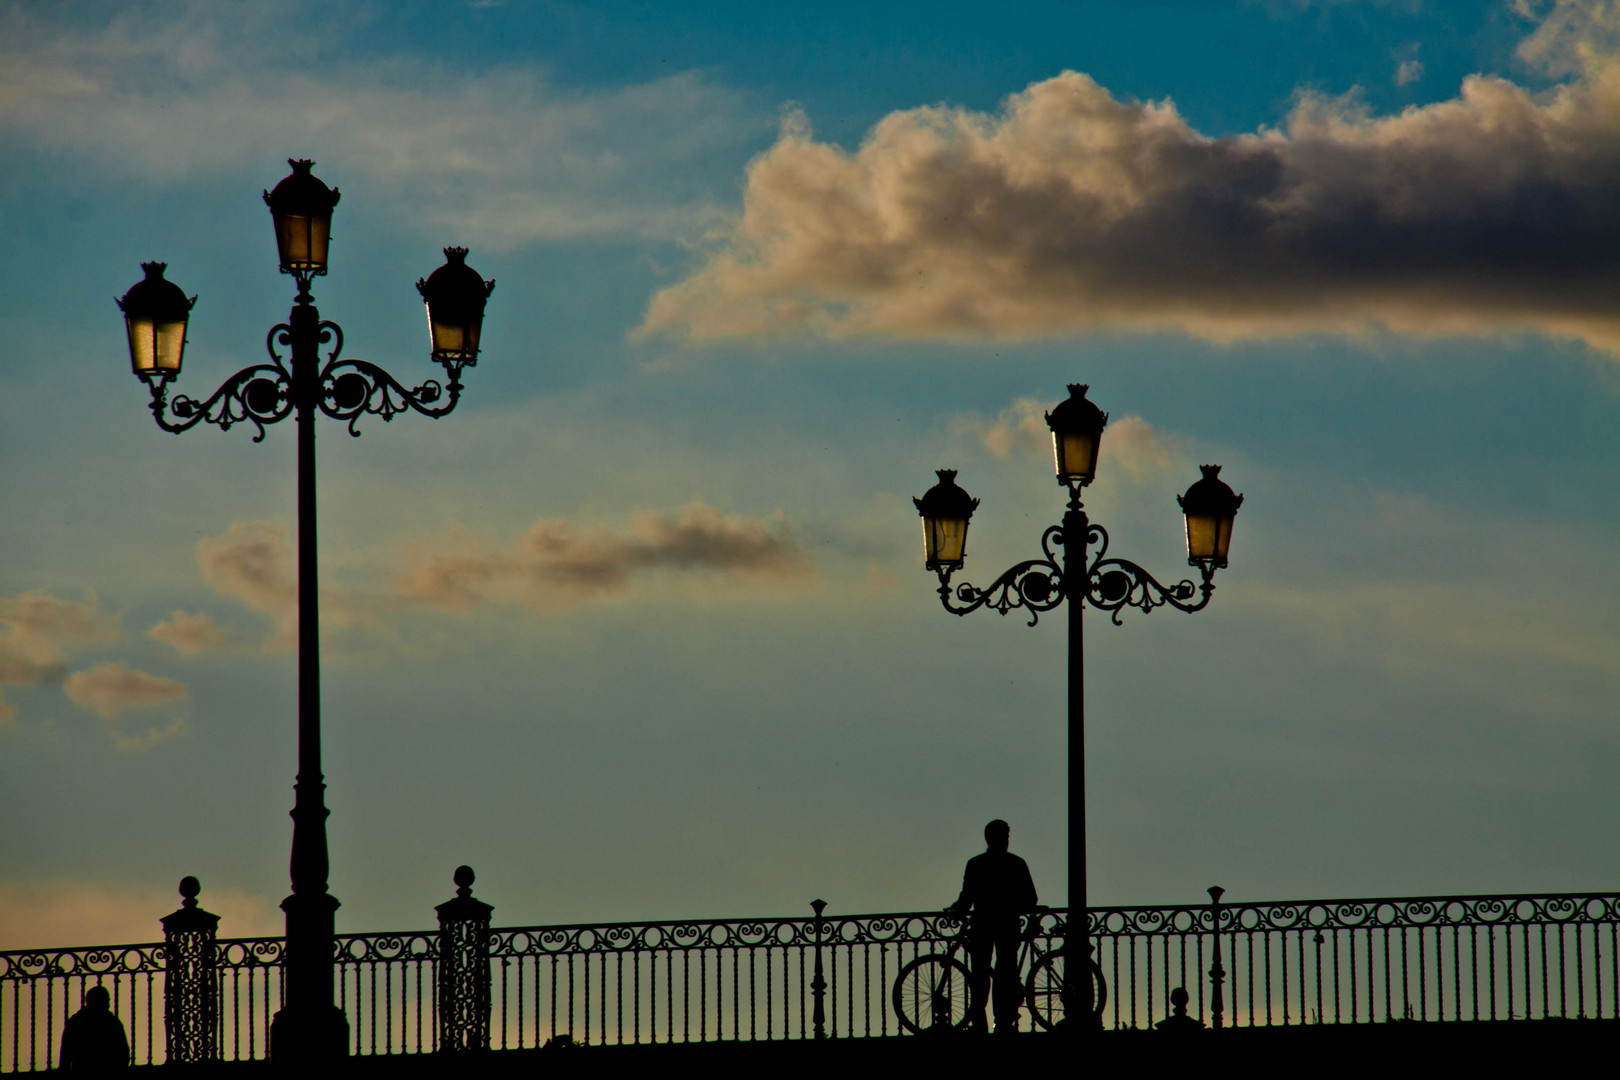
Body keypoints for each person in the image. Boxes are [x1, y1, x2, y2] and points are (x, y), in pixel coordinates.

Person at [946, 819, 1037, 1034]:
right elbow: (1030, 898)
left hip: (983, 925)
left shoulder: (976, 864)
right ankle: (1003, 1021)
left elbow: (967, 896)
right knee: (1003, 971)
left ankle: (980, 1021)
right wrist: (1011, 907)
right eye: (1004, 836)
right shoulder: (1016, 863)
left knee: (981, 973)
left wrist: (957, 910)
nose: (1006, 841)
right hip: (1007, 924)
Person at [59, 985, 130, 1070]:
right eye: (106, 1001)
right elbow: (123, 1051)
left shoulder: (76, 1021)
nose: (108, 1004)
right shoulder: (112, 1022)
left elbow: (66, 1051)